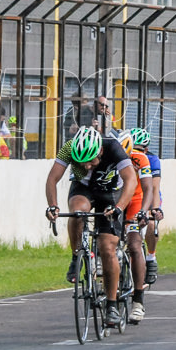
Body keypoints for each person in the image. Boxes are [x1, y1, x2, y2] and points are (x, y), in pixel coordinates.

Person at [45, 126, 137, 328]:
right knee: (78, 212)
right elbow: (53, 178)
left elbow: (131, 179)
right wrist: (52, 205)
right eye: (81, 161)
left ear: (100, 152)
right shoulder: (68, 148)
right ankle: (76, 254)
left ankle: (112, 305)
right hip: (84, 189)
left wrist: (120, 207)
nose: (87, 166)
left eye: (91, 161)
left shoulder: (113, 147)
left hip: (110, 192)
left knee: (107, 248)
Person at [117, 130, 153, 324]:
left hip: (136, 200)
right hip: (117, 198)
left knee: (133, 244)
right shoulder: (110, 156)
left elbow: (148, 188)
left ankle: (138, 300)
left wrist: (144, 211)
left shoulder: (140, 159)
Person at [130, 126, 163, 285]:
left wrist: (155, 209)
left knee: (151, 223)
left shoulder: (151, 159)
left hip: (148, 194)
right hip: (130, 194)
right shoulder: (124, 156)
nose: (136, 152)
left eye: (139, 149)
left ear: (146, 149)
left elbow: (154, 188)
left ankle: (151, 258)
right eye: (132, 148)